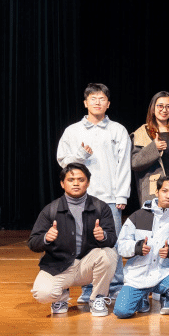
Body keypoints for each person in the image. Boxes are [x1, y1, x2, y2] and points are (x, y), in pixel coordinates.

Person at [56, 83, 130, 302]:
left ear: (108, 103)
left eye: (102, 99)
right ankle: (88, 289)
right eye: (93, 98)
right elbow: (63, 161)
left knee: (111, 243)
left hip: (110, 197)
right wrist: (80, 155)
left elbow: (124, 165)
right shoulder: (72, 131)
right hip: (80, 198)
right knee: (84, 243)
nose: (97, 102)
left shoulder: (118, 130)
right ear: (85, 102)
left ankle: (115, 286)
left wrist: (122, 195)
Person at [28, 163, 119, 316]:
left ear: (88, 183)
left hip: (86, 265)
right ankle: (61, 298)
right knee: (42, 293)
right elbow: (33, 243)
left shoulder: (101, 207)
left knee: (109, 254)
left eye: (81, 180)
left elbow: (112, 240)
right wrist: (45, 238)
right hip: (59, 265)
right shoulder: (50, 209)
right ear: (62, 184)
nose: (76, 183)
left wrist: (103, 236)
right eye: (71, 180)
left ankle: (98, 298)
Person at [114, 176, 169, 318]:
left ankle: (167, 300)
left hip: (164, 274)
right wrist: (136, 247)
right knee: (122, 312)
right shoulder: (138, 216)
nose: (168, 196)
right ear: (157, 192)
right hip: (137, 276)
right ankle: (142, 298)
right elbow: (121, 245)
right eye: (164, 191)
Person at [130, 91, 169, 207]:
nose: (164, 110)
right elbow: (134, 163)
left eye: (168, 106)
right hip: (153, 193)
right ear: (153, 109)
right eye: (160, 106)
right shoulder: (141, 133)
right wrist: (154, 148)